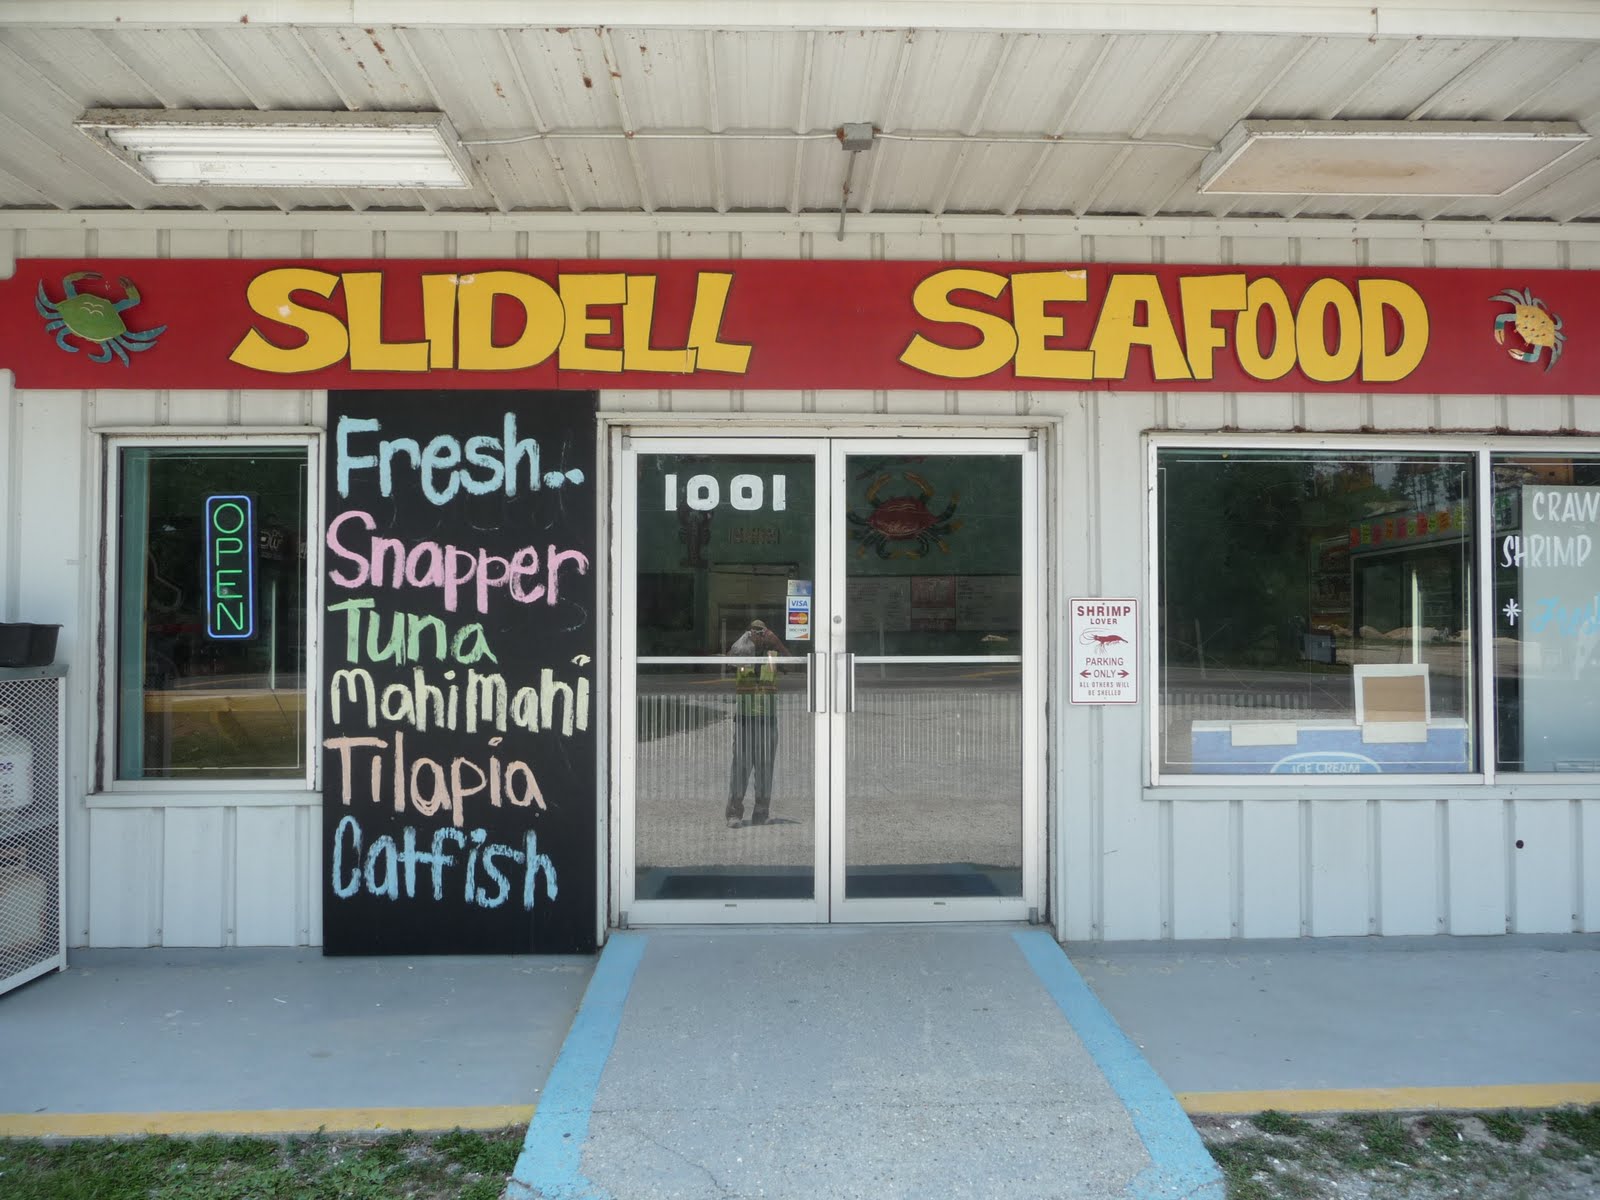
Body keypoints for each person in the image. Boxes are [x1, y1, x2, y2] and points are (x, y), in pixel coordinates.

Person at [726, 619, 786, 827]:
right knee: (741, 766)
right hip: (745, 717)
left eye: (762, 632)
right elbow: (729, 661)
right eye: (754, 631)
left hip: (768, 718)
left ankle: (761, 811)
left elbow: (794, 664)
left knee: (765, 767)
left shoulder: (773, 654)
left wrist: (776, 643)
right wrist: (744, 642)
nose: (758, 636)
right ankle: (734, 813)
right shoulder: (742, 652)